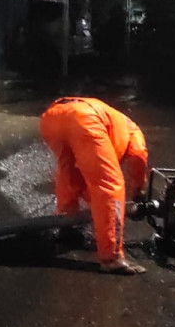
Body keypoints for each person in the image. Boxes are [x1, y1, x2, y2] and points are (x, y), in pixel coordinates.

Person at [40, 97, 148, 274]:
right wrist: (138, 188)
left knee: (69, 173)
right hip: (84, 119)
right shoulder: (133, 130)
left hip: (52, 117)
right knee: (110, 184)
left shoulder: (115, 119)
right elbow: (138, 156)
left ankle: (67, 224)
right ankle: (111, 257)